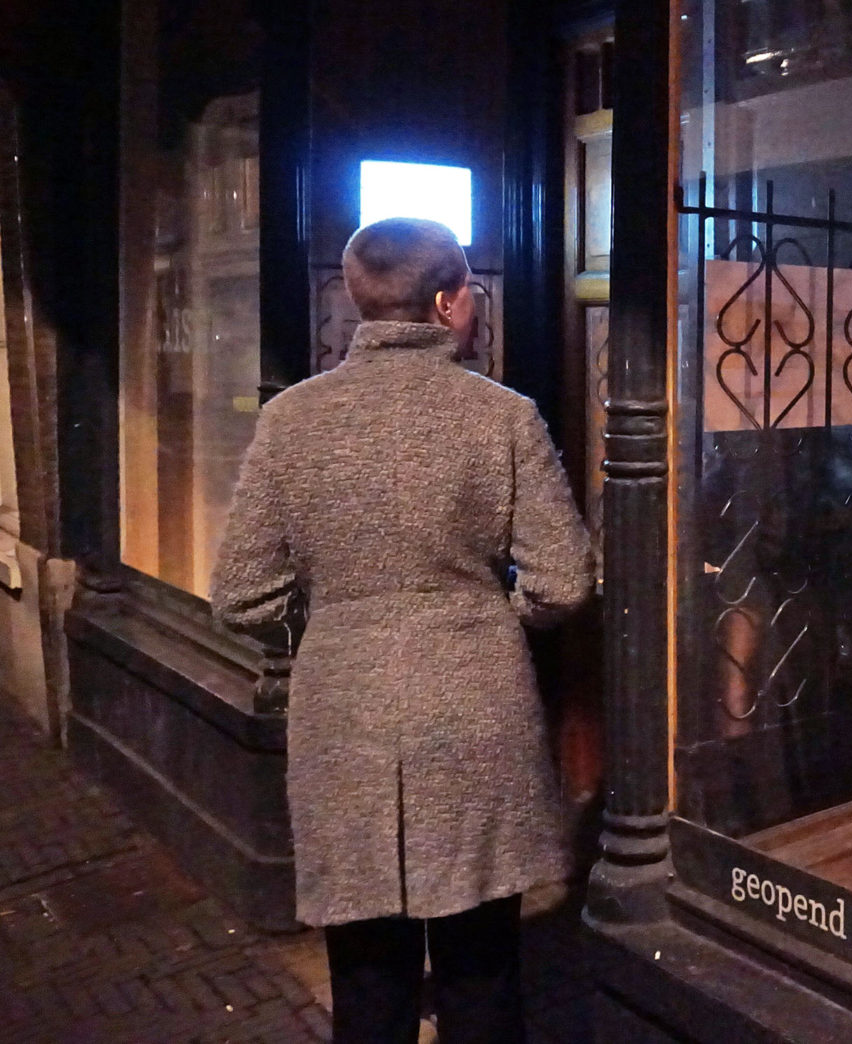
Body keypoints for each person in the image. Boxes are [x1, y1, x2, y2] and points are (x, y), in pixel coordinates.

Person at [212, 218, 593, 1044]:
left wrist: (334, 620)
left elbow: (242, 595)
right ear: (449, 302)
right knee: (481, 972)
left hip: (343, 712)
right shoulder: (503, 418)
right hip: (474, 708)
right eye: (472, 293)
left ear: (358, 300)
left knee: (367, 975)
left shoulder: (291, 421)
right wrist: (490, 618)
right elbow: (564, 581)